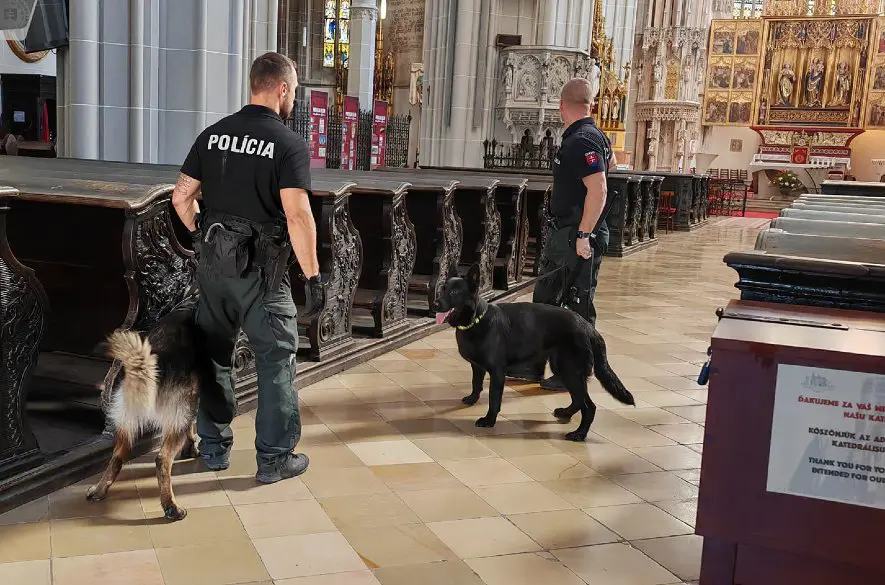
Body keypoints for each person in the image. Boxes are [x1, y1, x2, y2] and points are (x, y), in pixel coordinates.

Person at [171, 52, 324, 484]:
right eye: (292, 90)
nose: (292, 97)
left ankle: (215, 449)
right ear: (281, 89)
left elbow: (181, 198)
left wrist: (204, 234)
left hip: (214, 270)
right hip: (263, 277)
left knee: (214, 356)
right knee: (275, 360)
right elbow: (298, 217)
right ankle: (274, 459)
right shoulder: (289, 144)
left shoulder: (213, 135)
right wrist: (313, 277)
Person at [506, 78, 616, 391]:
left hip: (575, 235)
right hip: (567, 233)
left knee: (577, 304)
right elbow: (612, 164)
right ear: (590, 104)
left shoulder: (582, 139)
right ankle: (533, 364)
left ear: (561, 106)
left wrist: (584, 234)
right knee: (546, 301)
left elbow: (599, 188)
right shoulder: (591, 136)